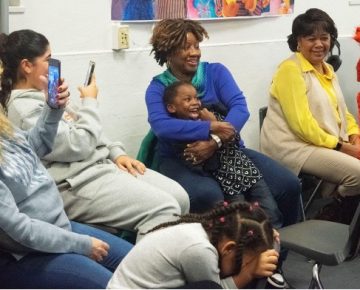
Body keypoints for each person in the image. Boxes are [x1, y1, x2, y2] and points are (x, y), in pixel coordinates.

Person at [2, 29, 190, 242]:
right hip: (74, 183)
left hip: (99, 167)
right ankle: (144, 271)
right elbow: (77, 145)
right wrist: (90, 101)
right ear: (27, 66)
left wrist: (115, 152)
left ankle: (153, 254)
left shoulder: (44, 95)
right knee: (164, 208)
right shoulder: (23, 108)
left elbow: (87, 129)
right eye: (48, 59)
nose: (54, 64)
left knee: (180, 197)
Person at [144, 18, 301, 231]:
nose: (194, 52)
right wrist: (211, 127)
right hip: (182, 158)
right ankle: (222, 258)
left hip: (228, 151)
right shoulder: (158, 88)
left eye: (196, 46)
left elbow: (240, 108)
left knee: (288, 184)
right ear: (168, 52)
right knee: (210, 196)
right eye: (185, 47)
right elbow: (162, 126)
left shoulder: (215, 72)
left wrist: (215, 141)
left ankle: (277, 254)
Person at [0, 56, 133, 287]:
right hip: (26, 253)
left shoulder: (3, 125)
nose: (4, 81)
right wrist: (80, 244)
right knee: (115, 285)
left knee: (140, 263)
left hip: (58, 226)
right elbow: (20, 230)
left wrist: (53, 108)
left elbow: (34, 147)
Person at [260, 8, 360, 224]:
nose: (319, 44)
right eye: (311, 38)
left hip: (324, 142)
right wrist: (344, 147)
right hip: (295, 147)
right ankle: (331, 218)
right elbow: (302, 126)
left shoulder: (327, 69)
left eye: (324, 38)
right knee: (358, 174)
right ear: (298, 41)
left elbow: (341, 110)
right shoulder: (290, 70)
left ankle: (345, 221)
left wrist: (354, 135)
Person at [107, 201, 280, 289]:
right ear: (228, 248)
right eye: (247, 261)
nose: (249, 264)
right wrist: (248, 273)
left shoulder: (204, 230)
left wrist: (262, 233)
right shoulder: (200, 251)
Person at [163, 81, 272, 204]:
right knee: (240, 215)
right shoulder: (180, 134)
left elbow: (234, 137)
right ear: (171, 107)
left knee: (269, 208)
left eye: (196, 98)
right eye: (188, 100)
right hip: (226, 184)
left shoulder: (211, 114)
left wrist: (214, 126)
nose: (195, 102)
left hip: (247, 171)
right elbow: (196, 163)